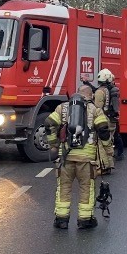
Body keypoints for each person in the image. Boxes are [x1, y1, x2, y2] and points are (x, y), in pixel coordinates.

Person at [45, 85, 111, 230]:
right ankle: (85, 220)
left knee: (64, 188)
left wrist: (53, 144)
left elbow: (49, 123)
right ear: (90, 96)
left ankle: (61, 219)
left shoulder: (62, 108)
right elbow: (103, 130)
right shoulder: (94, 110)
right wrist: (108, 149)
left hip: (65, 158)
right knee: (86, 188)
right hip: (86, 159)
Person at [93, 68, 119, 174]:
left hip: (104, 121)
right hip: (112, 120)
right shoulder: (112, 90)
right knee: (109, 143)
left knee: (101, 144)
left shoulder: (100, 91)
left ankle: (103, 167)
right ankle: (109, 164)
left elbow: (97, 108)